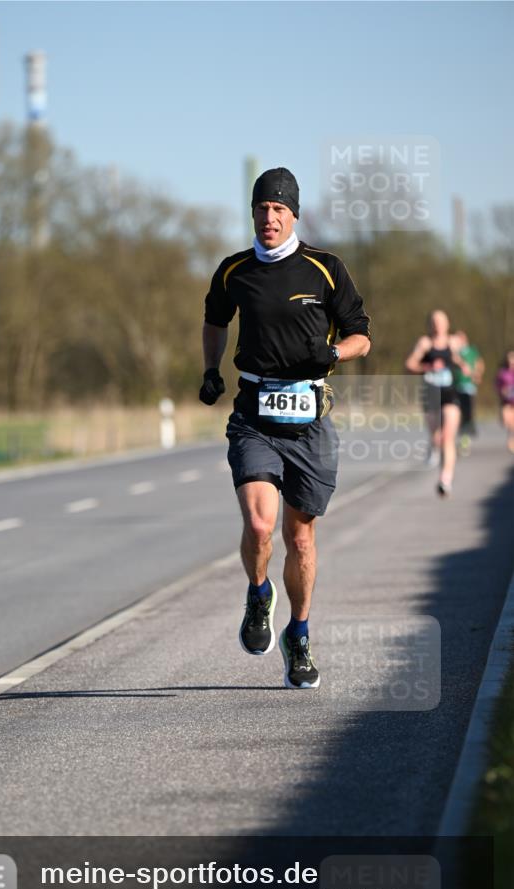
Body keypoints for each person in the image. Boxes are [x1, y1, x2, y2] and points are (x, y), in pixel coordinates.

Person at [198, 167, 370, 690]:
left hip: (309, 422)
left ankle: (299, 634)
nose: (269, 218)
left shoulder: (326, 268)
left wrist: (334, 351)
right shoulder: (234, 271)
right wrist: (211, 369)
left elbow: (363, 336)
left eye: (278, 209)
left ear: (294, 213)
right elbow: (215, 320)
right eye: (261, 209)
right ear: (252, 213)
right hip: (253, 416)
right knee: (258, 525)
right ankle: (257, 596)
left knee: (299, 539)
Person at [405, 311, 468, 497]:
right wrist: (426, 367)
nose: (438, 324)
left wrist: (464, 366)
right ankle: (433, 447)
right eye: (434, 321)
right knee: (437, 437)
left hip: (449, 393)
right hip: (430, 394)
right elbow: (409, 364)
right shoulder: (425, 343)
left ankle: (445, 480)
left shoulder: (453, 342)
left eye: (441, 321)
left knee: (448, 437)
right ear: (430, 324)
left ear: (447, 324)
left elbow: (460, 360)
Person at [449, 329, 484, 454]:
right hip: (454, 386)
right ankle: (452, 439)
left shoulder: (471, 351)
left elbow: (479, 363)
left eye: (461, 338)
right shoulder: (453, 351)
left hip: (468, 387)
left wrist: (477, 374)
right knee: (454, 414)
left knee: (467, 414)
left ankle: (464, 440)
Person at [495, 349, 514, 454]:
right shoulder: (503, 373)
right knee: (507, 421)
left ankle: (511, 441)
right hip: (506, 401)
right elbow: (497, 385)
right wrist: (502, 391)